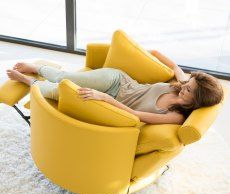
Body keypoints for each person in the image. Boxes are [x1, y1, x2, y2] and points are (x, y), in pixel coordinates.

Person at [6, 50, 224, 125]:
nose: (184, 86)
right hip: (117, 81)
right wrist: (151, 53)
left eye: (189, 90)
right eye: (189, 83)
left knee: (60, 90)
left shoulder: (175, 116)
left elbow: (136, 115)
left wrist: (105, 99)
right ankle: (37, 68)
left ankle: (28, 82)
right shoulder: (184, 84)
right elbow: (175, 66)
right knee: (67, 76)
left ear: (197, 100)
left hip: (112, 101)